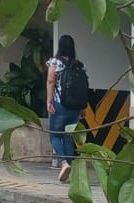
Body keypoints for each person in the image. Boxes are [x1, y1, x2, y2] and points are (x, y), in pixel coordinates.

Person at [46, 34, 82, 183]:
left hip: (59, 105)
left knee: (54, 136)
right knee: (68, 137)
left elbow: (50, 81)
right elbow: (83, 87)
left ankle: (64, 163)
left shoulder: (55, 62)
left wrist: (49, 101)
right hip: (75, 108)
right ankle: (70, 171)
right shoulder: (79, 65)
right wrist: (83, 107)